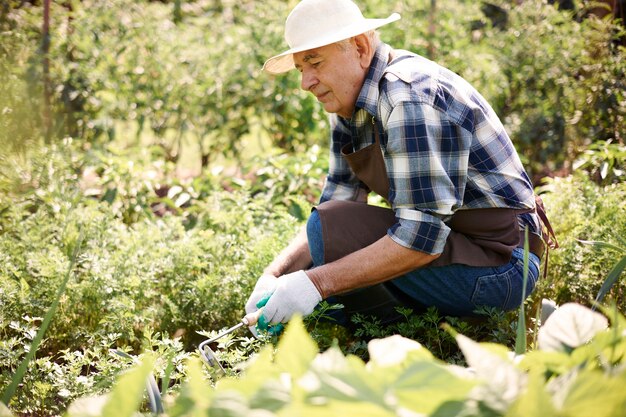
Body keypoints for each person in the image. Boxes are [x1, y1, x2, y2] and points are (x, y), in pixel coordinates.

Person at [245, 0, 557, 332]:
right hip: (458, 245)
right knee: (329, 227)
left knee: (327, 250)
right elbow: (336, 202)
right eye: (300, 68)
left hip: (502, 265)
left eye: (315, 63)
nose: (305, 82)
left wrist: (314, 284)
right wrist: (274, 275)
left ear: (361, 48)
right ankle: (403, 331)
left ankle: (403, 335)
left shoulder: (407, 97)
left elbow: (421, 238)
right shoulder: (349, 105)